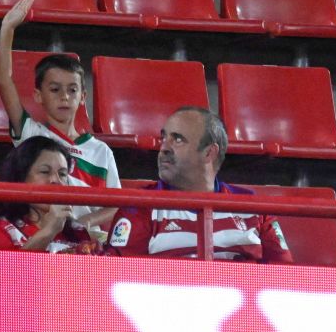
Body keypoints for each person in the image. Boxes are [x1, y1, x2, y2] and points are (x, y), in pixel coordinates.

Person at [0, 0, 119, 225]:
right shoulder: (31, 134)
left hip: (86, 244)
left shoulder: (102, 152)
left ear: (83, 97)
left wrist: (83, 224)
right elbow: (4, 80)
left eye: (72, 90)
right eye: (55, 89)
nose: (64, 96)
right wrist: (7, 28)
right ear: (38, 95)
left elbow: (117, 206)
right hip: (37, 232)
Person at [108, 108, 291, 263]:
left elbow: (286, 277)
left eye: (178, 139)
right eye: (164, 138)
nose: (163, 148)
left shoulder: (255, 208)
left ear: (209, 153)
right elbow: (116, 278)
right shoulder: (139, 207)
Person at [0, 137, 104, 254]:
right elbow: (3, 278)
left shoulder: (76, 230)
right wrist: (48, 231)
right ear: (20, 178)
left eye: (62, 174)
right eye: (45, 172)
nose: (56, 180)